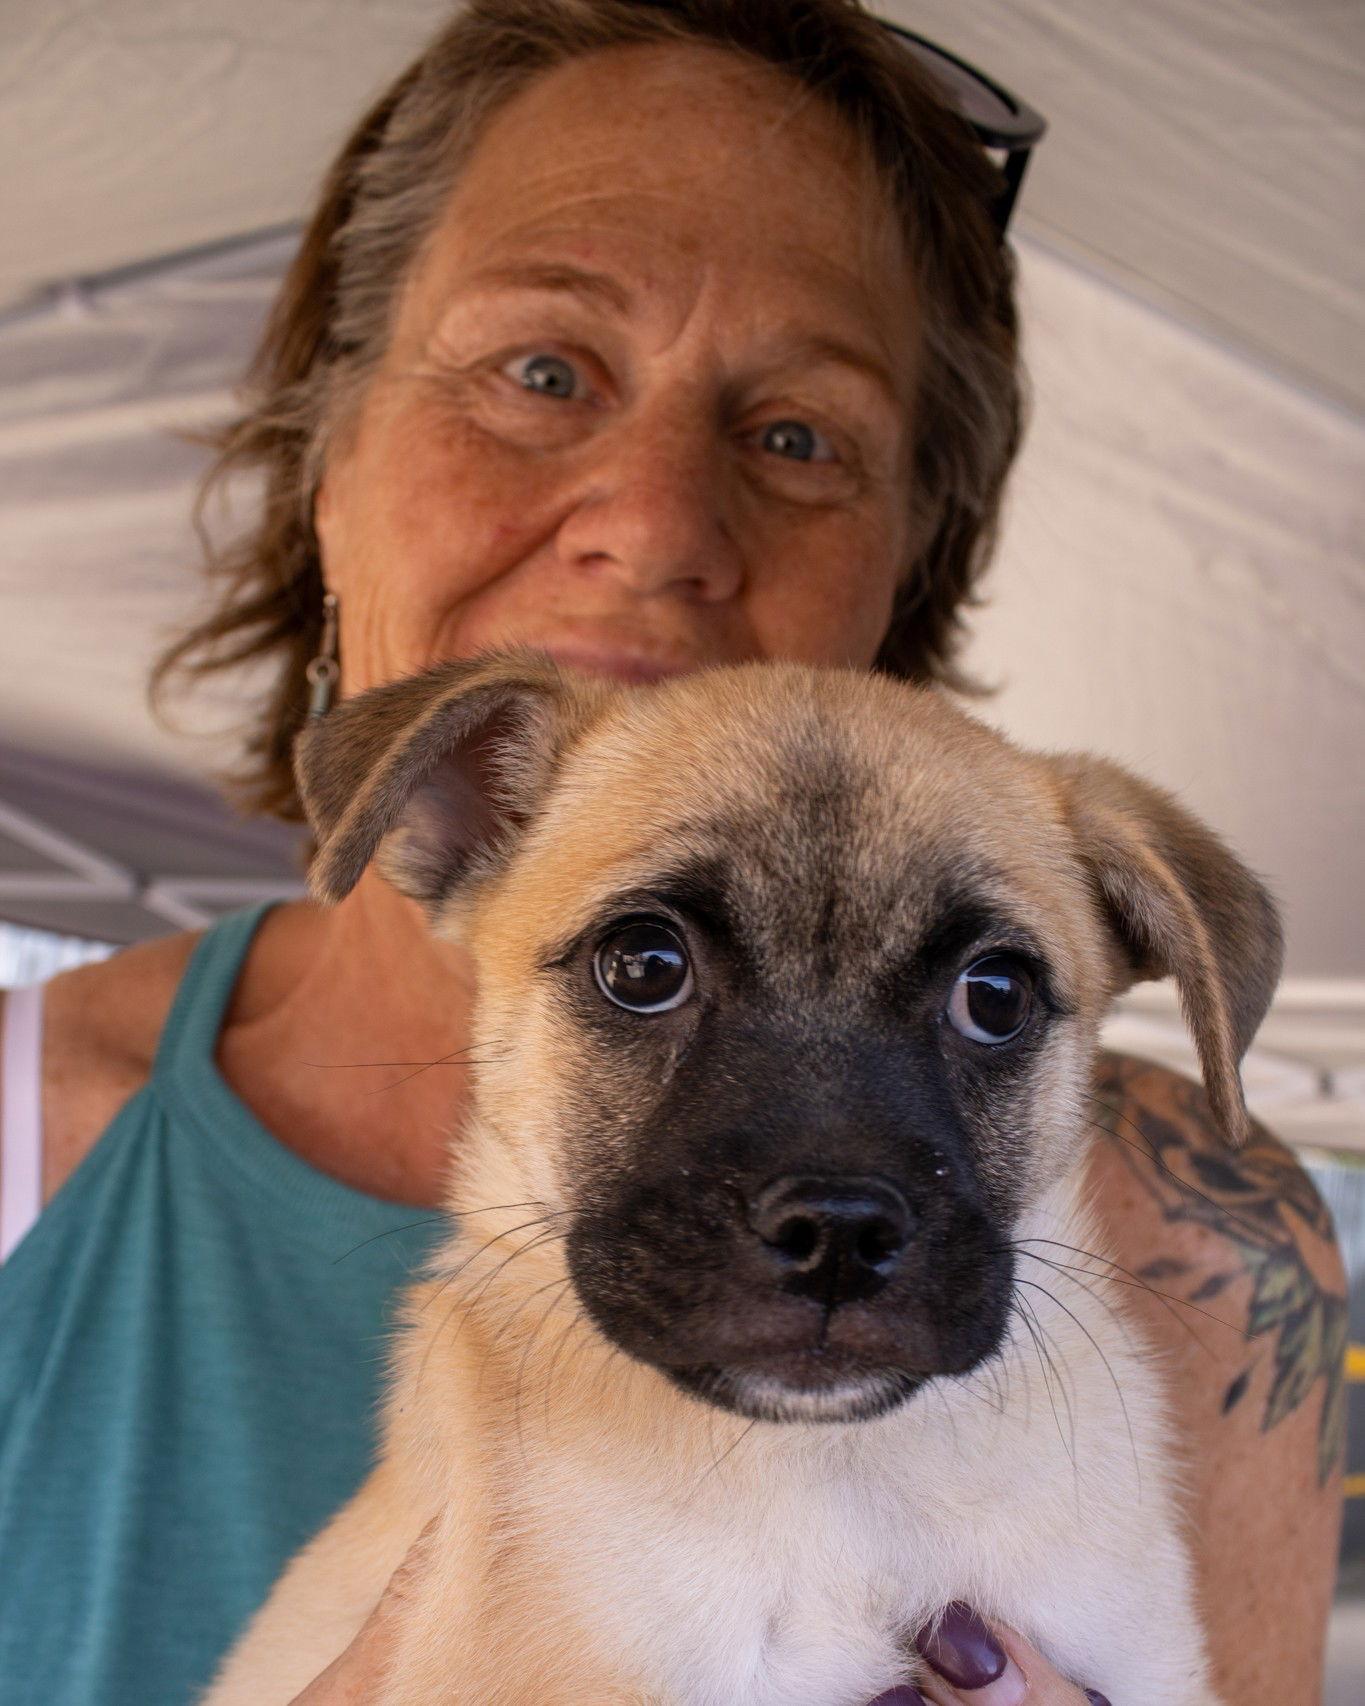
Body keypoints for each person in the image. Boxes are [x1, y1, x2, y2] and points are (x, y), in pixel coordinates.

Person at [0, 3, 1344, 1703]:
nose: (655, 520)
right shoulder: (23, 1137)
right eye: (541, 369)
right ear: (325, 453)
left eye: (796, 434)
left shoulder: (1204, 1255)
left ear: (910, 551)